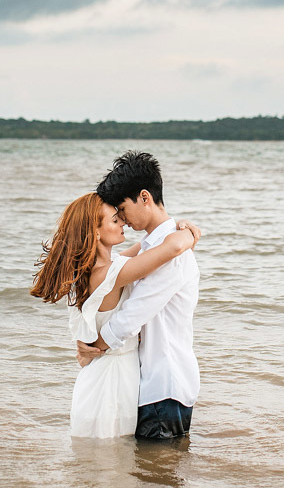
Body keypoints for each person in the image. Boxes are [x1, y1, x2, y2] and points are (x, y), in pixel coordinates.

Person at [30, 192, 201, 438]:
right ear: (96, 232)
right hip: (109, 384)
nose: (122, 222)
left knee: (106, 466)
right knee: (109, 466)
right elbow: (171, 247)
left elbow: (148, 244)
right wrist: (190, 233)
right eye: (114, 220)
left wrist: (178, 224)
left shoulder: (103, 268)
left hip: (105, 377)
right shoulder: (110, 274)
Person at [79, 151, 200, 440]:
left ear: (144, 197)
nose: (121, 218)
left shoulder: (172, 253)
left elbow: (133, 315)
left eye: (122, 208)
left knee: (158, 478)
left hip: (164, 386)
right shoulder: (153, 247)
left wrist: (93, 347)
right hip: (152, 385)